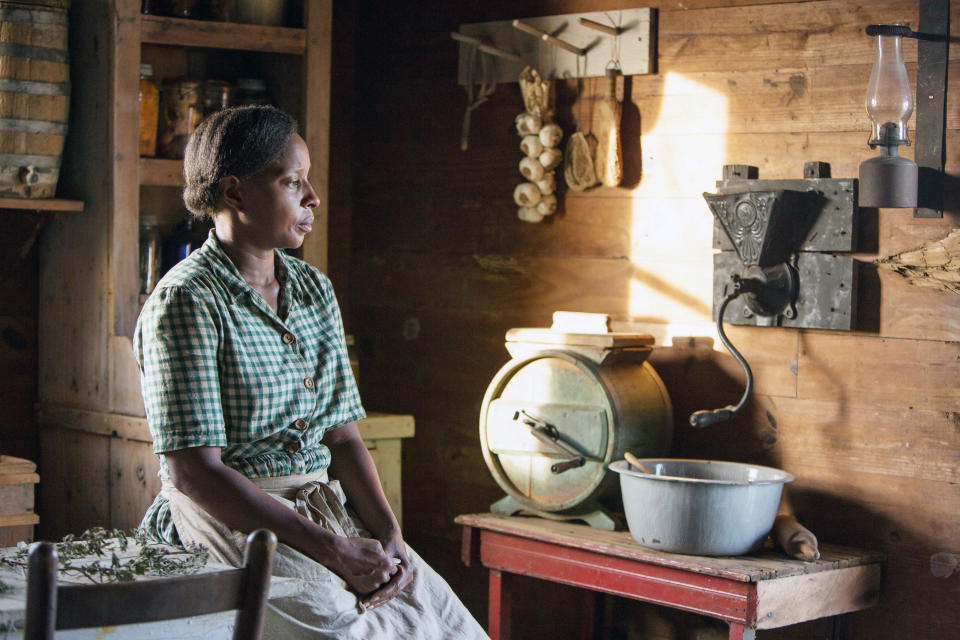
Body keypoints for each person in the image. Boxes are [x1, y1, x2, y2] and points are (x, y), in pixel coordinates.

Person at [135, 105, 488, 639]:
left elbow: (342, 436)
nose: (312, 198)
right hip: (234, 522)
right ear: (234, 193)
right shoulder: (186, 301)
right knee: (351, 632)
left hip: (324, 509)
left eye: (308, 180)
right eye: (291, 181)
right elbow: (194, 471)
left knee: (450, 628)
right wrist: (334, 550)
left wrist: (389, 534)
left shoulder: (312, 290)